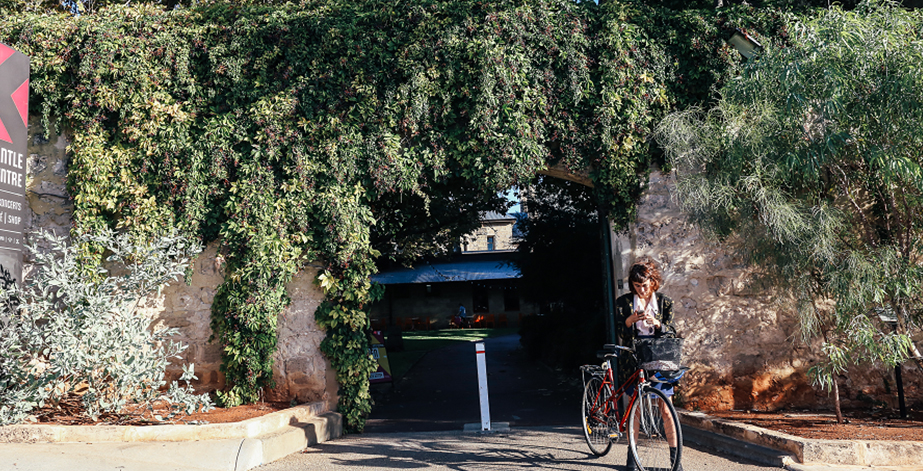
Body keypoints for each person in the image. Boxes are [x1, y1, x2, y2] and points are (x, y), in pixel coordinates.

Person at [615, 258, 682, 471]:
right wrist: (630, 321)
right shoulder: (624, 303)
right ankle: (632, 460)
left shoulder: (665, 302)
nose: (641, 290)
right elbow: (621, 333)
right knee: (634, 409)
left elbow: (672, 332)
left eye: (644, 285)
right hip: (634, 362)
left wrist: (658, 324)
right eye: (636, 286)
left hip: (659, 361)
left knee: (666, 409)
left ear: (653, 282)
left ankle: (675, 462)